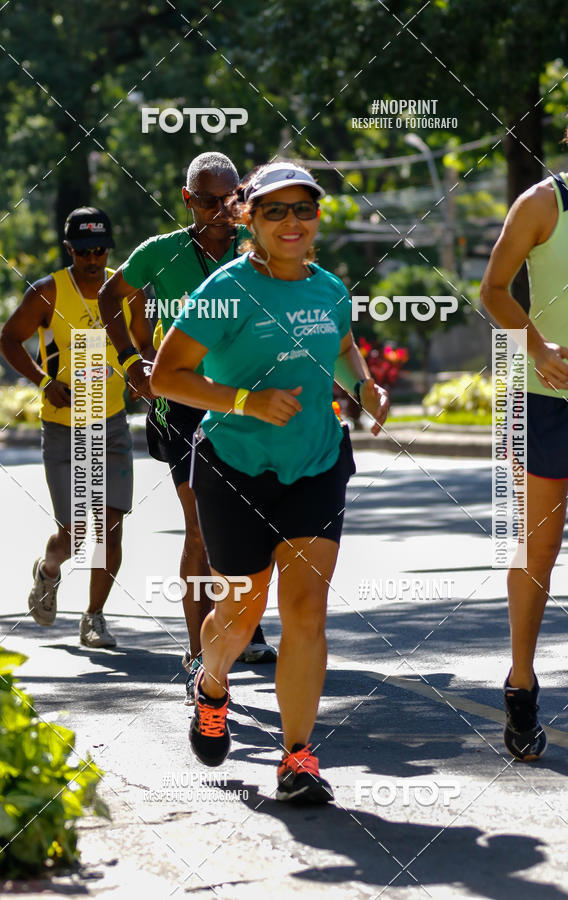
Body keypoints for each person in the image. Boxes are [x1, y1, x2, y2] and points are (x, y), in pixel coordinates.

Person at [151, 161, 389, 803]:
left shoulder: (330, 288)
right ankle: (212, 686)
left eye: (303, 209)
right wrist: (245, 402)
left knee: (307, 610)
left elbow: (340, 345)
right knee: (241, 607)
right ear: (248, 218)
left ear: (318, 217)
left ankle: (297, 757)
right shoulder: (224, 292)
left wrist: (363, 386)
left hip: (315, 462)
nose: (292, 222)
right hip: (235, 470)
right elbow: (166, 378)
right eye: (275, 211)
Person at [98, 152, 276, 705]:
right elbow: (110, 298)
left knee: (254, 522)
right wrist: (133, 363)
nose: (221, 210)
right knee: (200, 526)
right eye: (208, 200)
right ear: (186, 199)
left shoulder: (261, 250)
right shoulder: (160, 252)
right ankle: (198, 654)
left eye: (230, 200)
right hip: (182, 406)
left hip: (245, 403)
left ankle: (242, 621)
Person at [481, 79, 568, 761]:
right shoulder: (542, 204)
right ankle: (521, 682)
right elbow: (492, 290)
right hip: (547, 396)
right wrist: (537, 345)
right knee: (540, 548)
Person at [0, 207, 153, 647]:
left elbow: (145, 344)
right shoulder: (49, 292)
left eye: (100, 249)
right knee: (77, 535)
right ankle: (49, 569)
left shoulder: (128, 293)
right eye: (84, 251)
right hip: (64, 428)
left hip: (111, 423)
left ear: (110, 248)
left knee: (110, 527)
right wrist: (44, 382)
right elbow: (8, 338)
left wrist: (145, 374)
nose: (93, 259)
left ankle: (94, 617)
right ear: (70, 250)